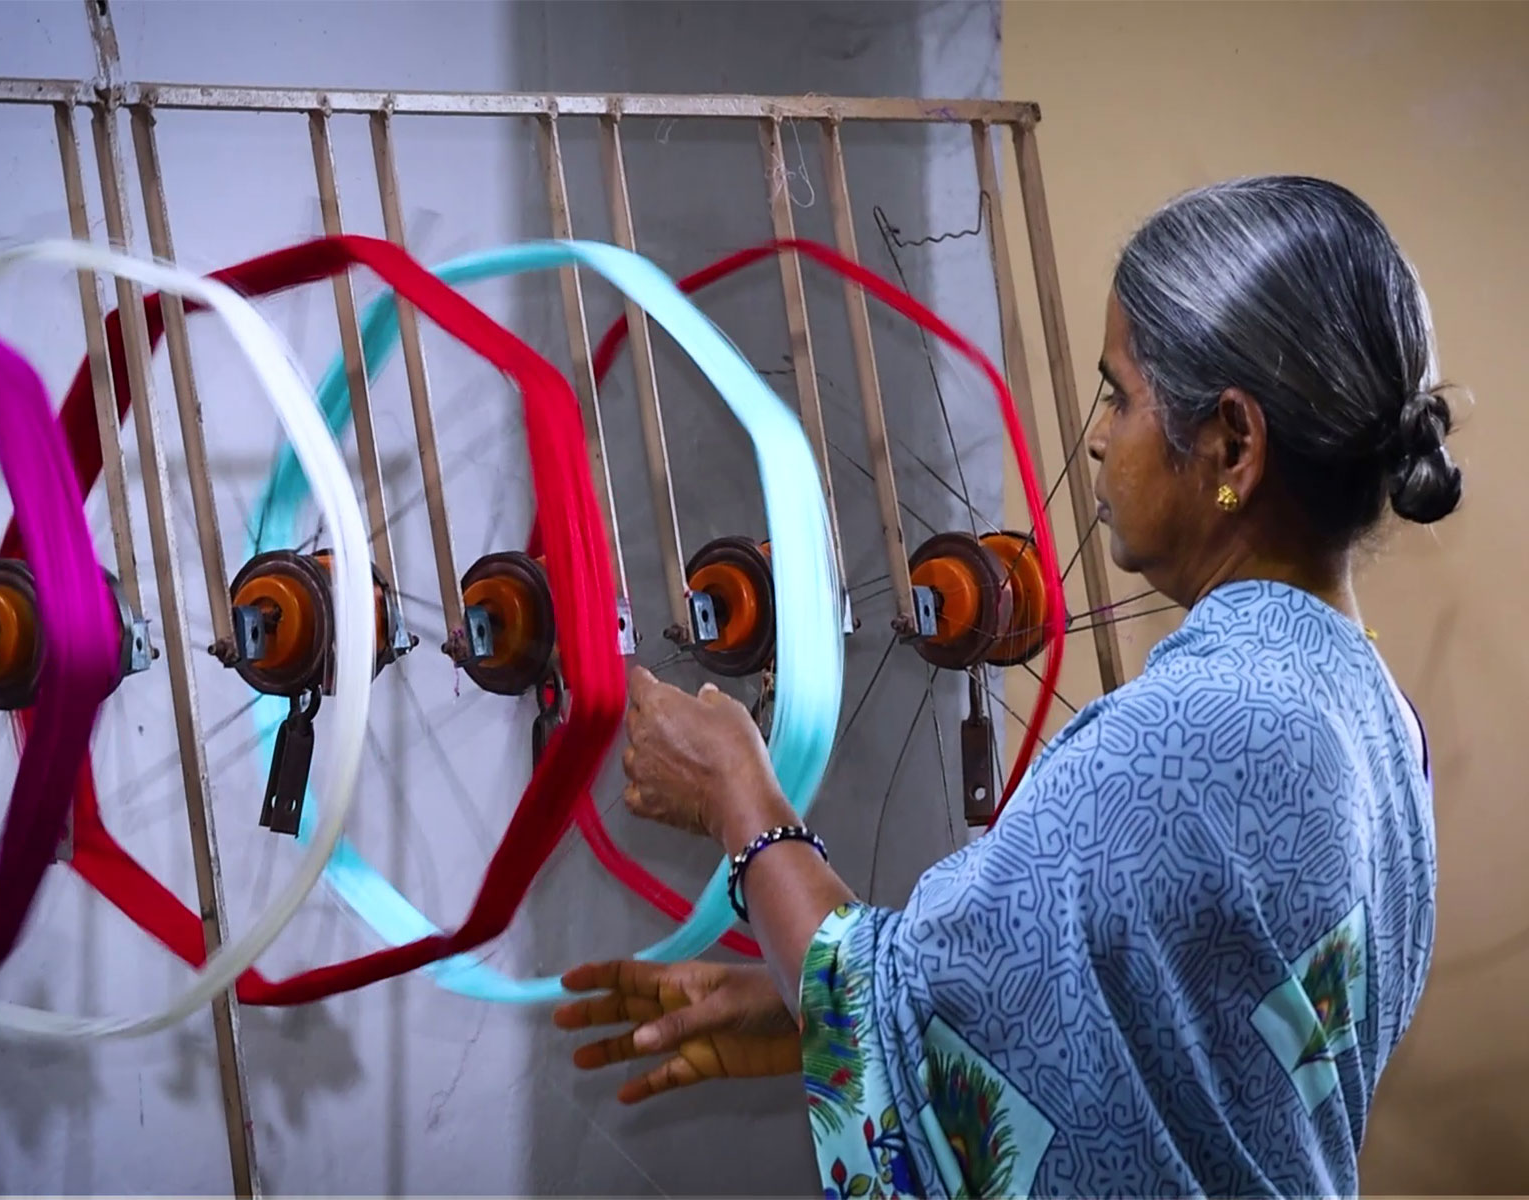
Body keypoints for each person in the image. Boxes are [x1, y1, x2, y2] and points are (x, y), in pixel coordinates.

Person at [552, 176, 1459, 1198]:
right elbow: (1183, 1021)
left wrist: (738, 800)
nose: (1099, 439)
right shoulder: (1371, 716)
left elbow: (901, 997)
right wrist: (789, 1003)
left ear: (1232, 444)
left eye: (1119, 394)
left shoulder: (1173, 743)